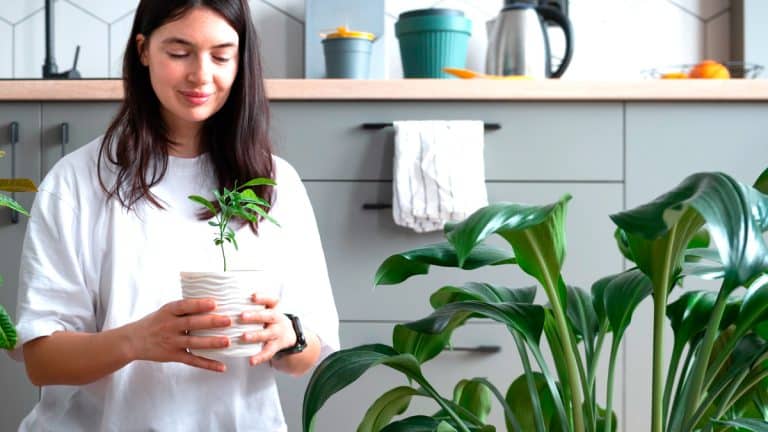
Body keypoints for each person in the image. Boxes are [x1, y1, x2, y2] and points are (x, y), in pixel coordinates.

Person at [12, 0, 339, 430]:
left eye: (222, 55)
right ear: (144, 50)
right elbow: (41, 361)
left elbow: (308, 355)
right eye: (179, 53)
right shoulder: (77, 181)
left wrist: (286, 336)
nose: (201, 75)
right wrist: (137, 340)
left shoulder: (277, 182)